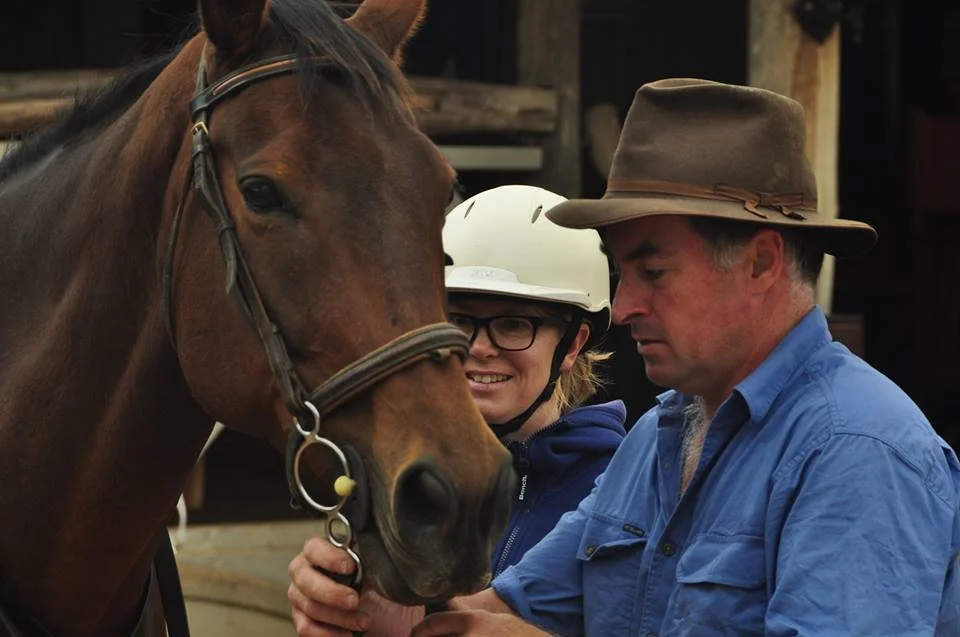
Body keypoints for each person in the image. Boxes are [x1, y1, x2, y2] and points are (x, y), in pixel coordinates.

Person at [288, 79, 960, 636]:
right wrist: (378, 606)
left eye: (652, 271)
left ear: (760, 262)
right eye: (621, 272)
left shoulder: (858, 451)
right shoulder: (659, 436)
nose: (625, 304)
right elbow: (509, 610)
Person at [288, 184, 626, 635]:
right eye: (460, 321)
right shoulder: (407, 481)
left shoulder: (624, 492)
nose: (479, 347)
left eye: (514, 324)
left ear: (572, 345)